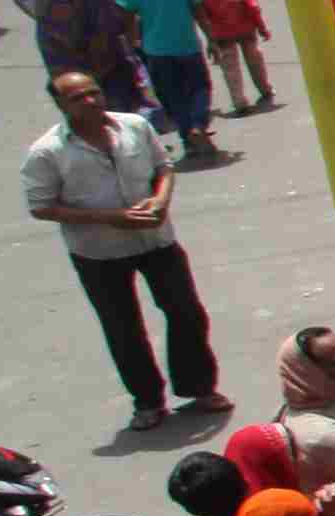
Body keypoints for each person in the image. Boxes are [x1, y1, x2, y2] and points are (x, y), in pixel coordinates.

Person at [23, 64, 223, 425]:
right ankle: (148, 402)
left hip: (156, 240)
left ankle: (198, 388)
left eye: (93, 92)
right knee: (123, 329)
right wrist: (110, 217)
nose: (90, 101)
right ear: (61, 105)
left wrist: (160, 202)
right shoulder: (47, 152)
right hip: (99, 253)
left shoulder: (134, 126)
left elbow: (164, 168)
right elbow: (41, 206)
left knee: (187, 312)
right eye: (77, 97)